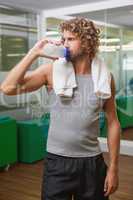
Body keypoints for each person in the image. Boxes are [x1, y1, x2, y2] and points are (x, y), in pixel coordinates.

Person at [1, 17, 121, 200]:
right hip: (57, 163)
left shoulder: (105, 78)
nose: (64, 44)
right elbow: (7, 88)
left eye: (70, 39)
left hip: (92, 163)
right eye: (63, 39)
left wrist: (113, 168)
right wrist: (34, 53)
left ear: (88, 42)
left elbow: (113, 123)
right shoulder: (51, 71)